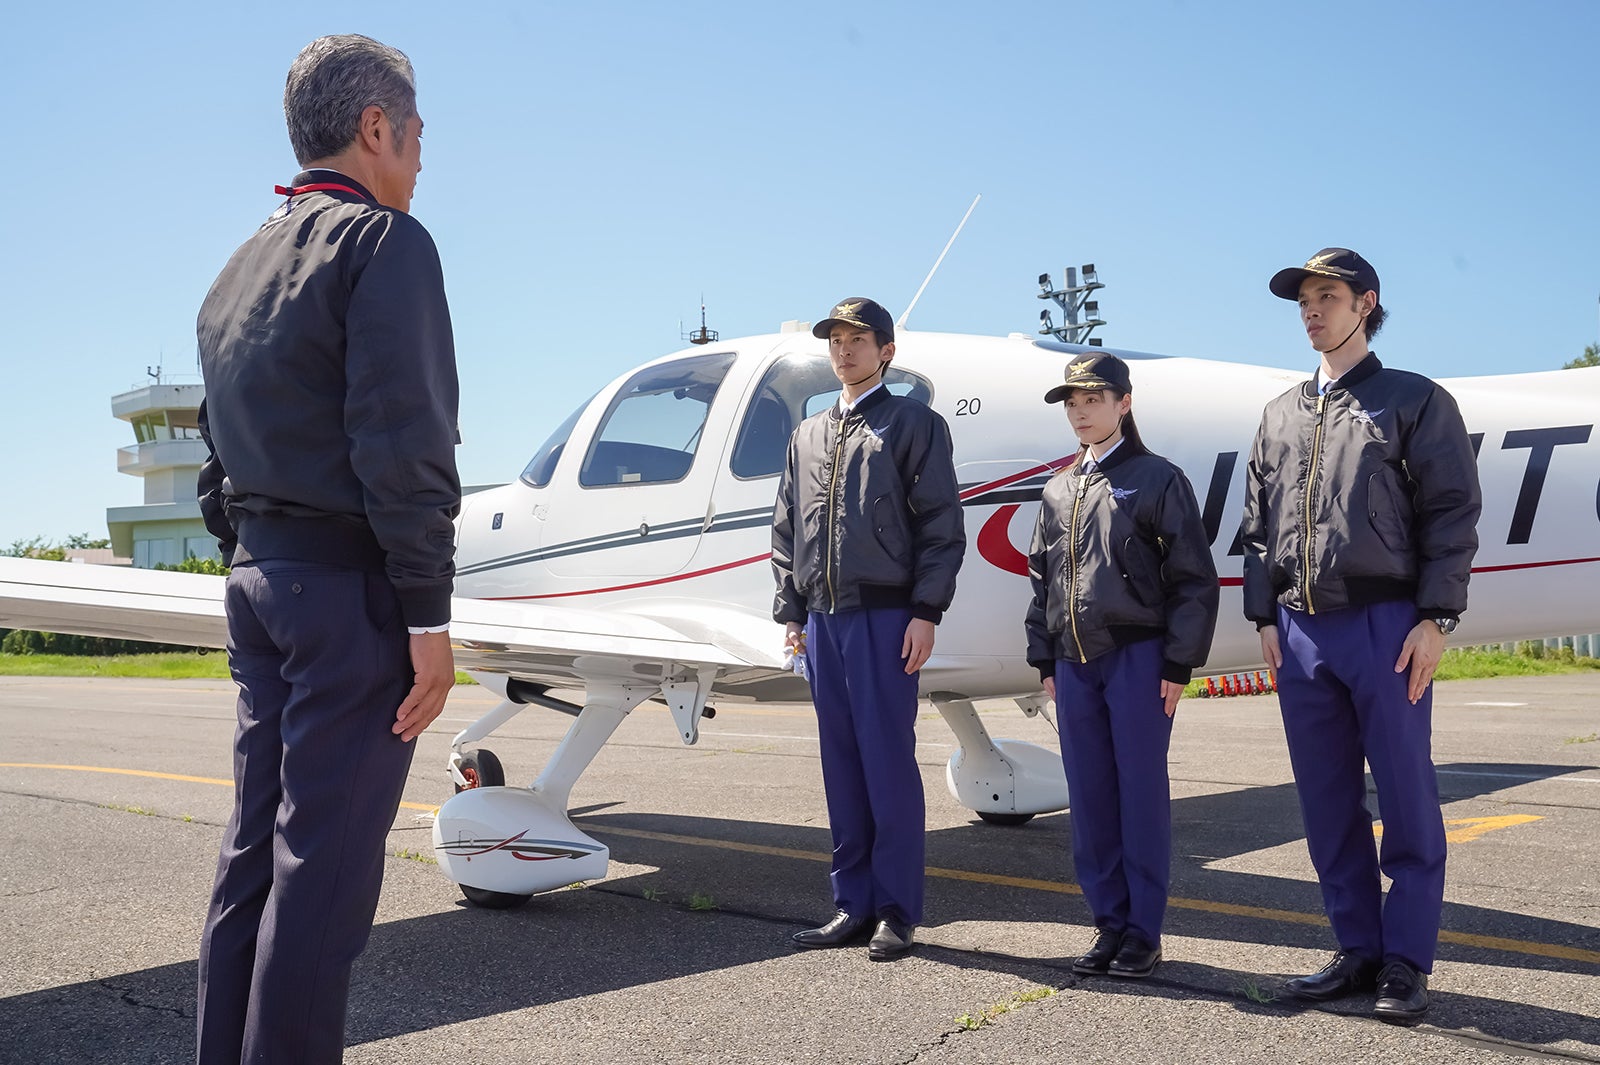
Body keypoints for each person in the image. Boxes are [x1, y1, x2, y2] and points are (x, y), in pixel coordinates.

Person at [193, 35, 460, 1064]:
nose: (423, 158)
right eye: (419, 134)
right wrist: (428, 616)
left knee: (252, 858)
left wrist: (253, 555)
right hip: (347, 594)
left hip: (259, 583)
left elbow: (218, 458)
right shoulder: (385, 244)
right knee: (326, 881)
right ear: (376, 129)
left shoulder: (236, 268)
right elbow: (403, 443)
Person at [1243, 248, 1481, 1024]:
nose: (1311, 310)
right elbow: (1256, 528)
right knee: (1326, 800)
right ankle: (1357, 951)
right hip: (1301, 633)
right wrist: (1263, 616)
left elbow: (1451, 512)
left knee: (1407, 795)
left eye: (1327, 296)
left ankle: (1407, 961)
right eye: (1303, 300)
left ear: (1365, 303)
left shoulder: (1413, 400)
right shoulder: (1279, 413)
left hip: (1386, 626)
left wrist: (1436, 617)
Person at [772, 297, 966, 961]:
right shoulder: (806, 435)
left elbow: (941, 525)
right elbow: (787, 530)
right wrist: (791, 612)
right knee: (842, 766)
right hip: (823, 621)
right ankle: (851, 903)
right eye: (836, 340)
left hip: (887, 619)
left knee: (887, 764)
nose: (844, 350)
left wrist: (926, 610)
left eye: (859, 340)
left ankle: (896, 910)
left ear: (885, 350)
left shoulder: (914, 424)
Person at [1023, 353, 1218, 980]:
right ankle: (1108, 923)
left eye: (1094, 398)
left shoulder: (1157, 479)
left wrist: (1178, 663)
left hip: (1137, 660)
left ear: (1123, 403)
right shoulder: (1057, 489)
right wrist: (1044, 658)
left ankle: (1144, 932)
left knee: (1139, 797)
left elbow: (1193, 579)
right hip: (1074, 664)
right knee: (1090, 797)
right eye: (1072, 402)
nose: (1081, 411)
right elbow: (1041, 580)